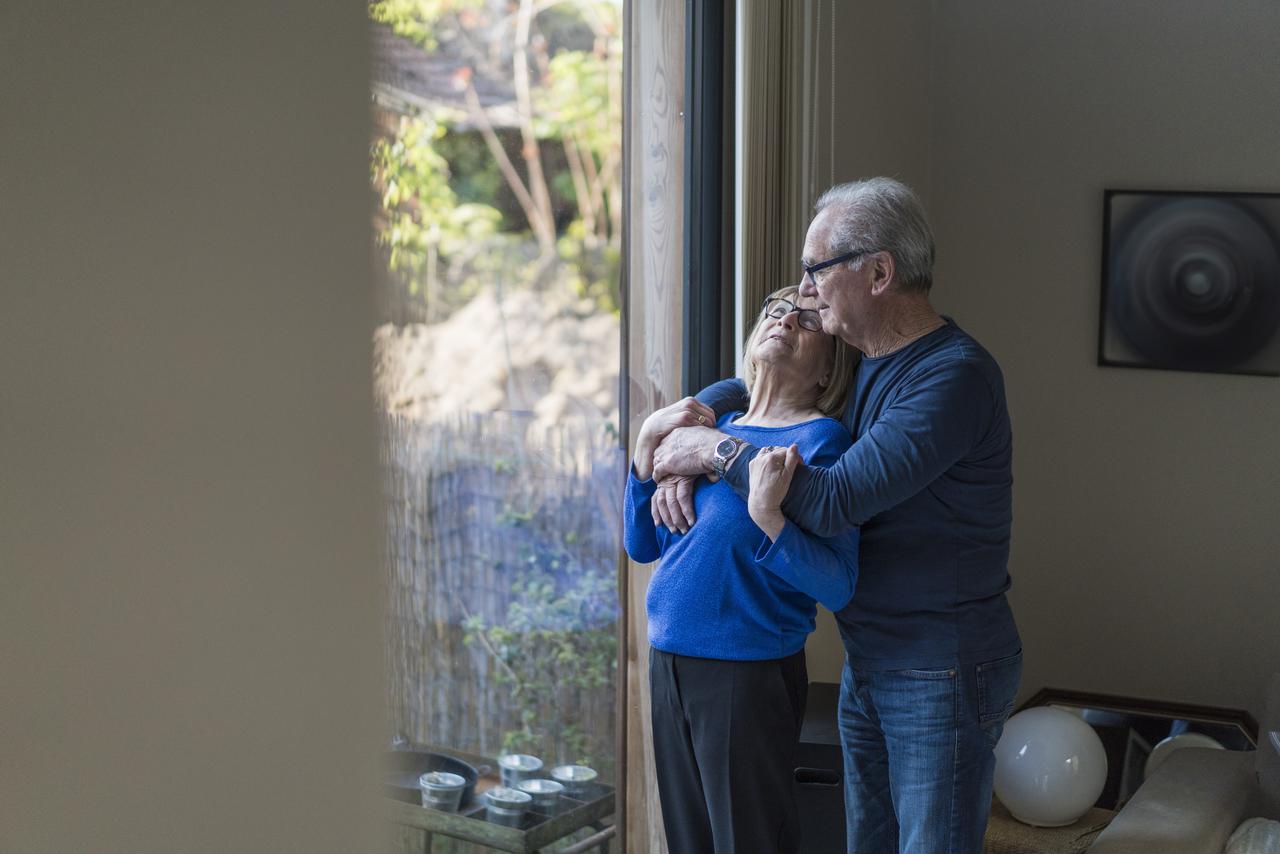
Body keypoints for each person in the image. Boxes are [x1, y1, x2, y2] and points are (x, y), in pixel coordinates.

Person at [649, 177, 1022, 854]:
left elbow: (827, 500)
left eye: (817, 268)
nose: (806, 288)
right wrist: (692, 422)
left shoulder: (952, 378)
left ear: (879, 274)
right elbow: (765, 387)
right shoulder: (875, 365)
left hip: (941, 665)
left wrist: (709, 446)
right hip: (872, 657)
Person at [624, 286, 860, 854]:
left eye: (807, 320)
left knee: (749, 842)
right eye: (775, 312)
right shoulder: (707, 430)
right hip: (670, 661)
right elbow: (641, 545)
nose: (785, 319)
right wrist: (645, 449)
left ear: (829, 369)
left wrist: (768, 515)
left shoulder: (820, 442)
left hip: (746, 673)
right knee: (690, 842)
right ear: (752, 344)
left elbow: (838, 583)